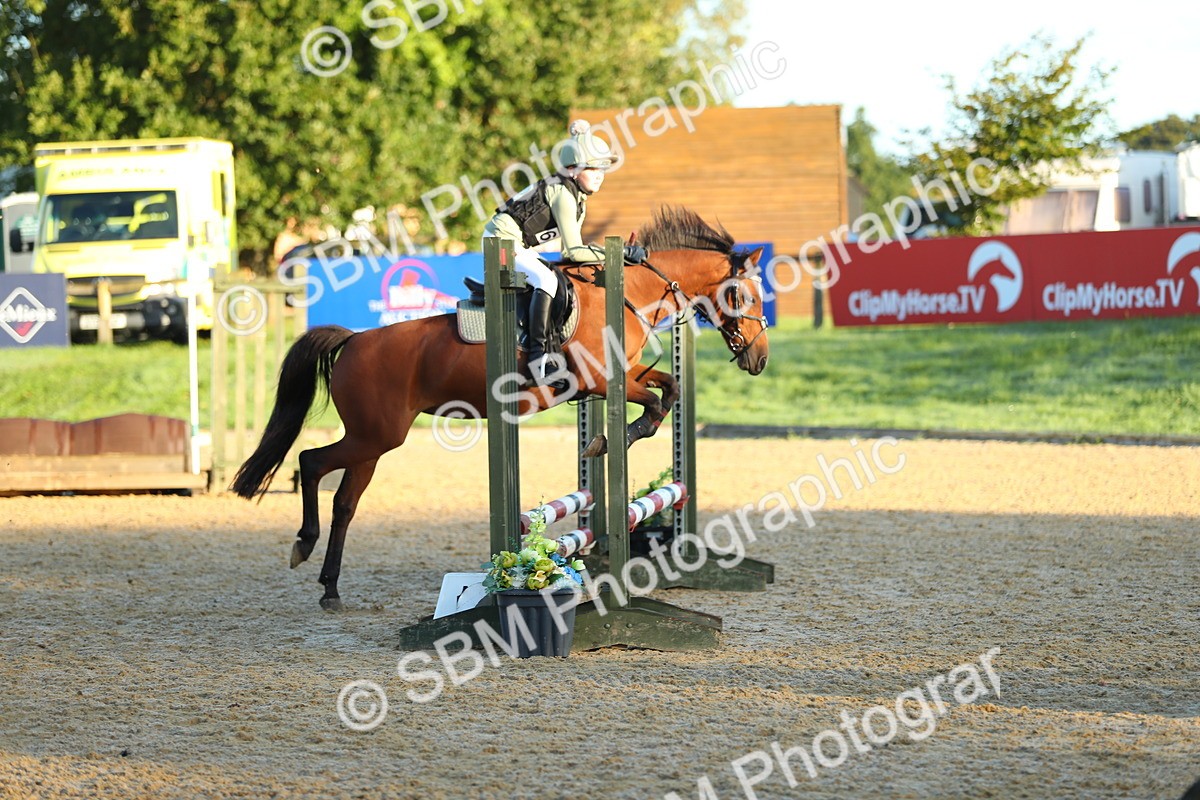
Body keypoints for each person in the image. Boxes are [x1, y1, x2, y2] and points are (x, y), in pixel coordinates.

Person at [482, 120, 646, 390]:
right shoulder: (563, 195)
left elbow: (576, 250)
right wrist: (621, 254)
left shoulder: (576, 197)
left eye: (603, 167)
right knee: (547, 281)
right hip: (500, 244)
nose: (599, 174)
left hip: (519, 245)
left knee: (559, 278)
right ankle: (539, 359)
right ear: (572, 170)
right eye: (592, 167)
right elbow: (573, 251)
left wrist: (615, 255)